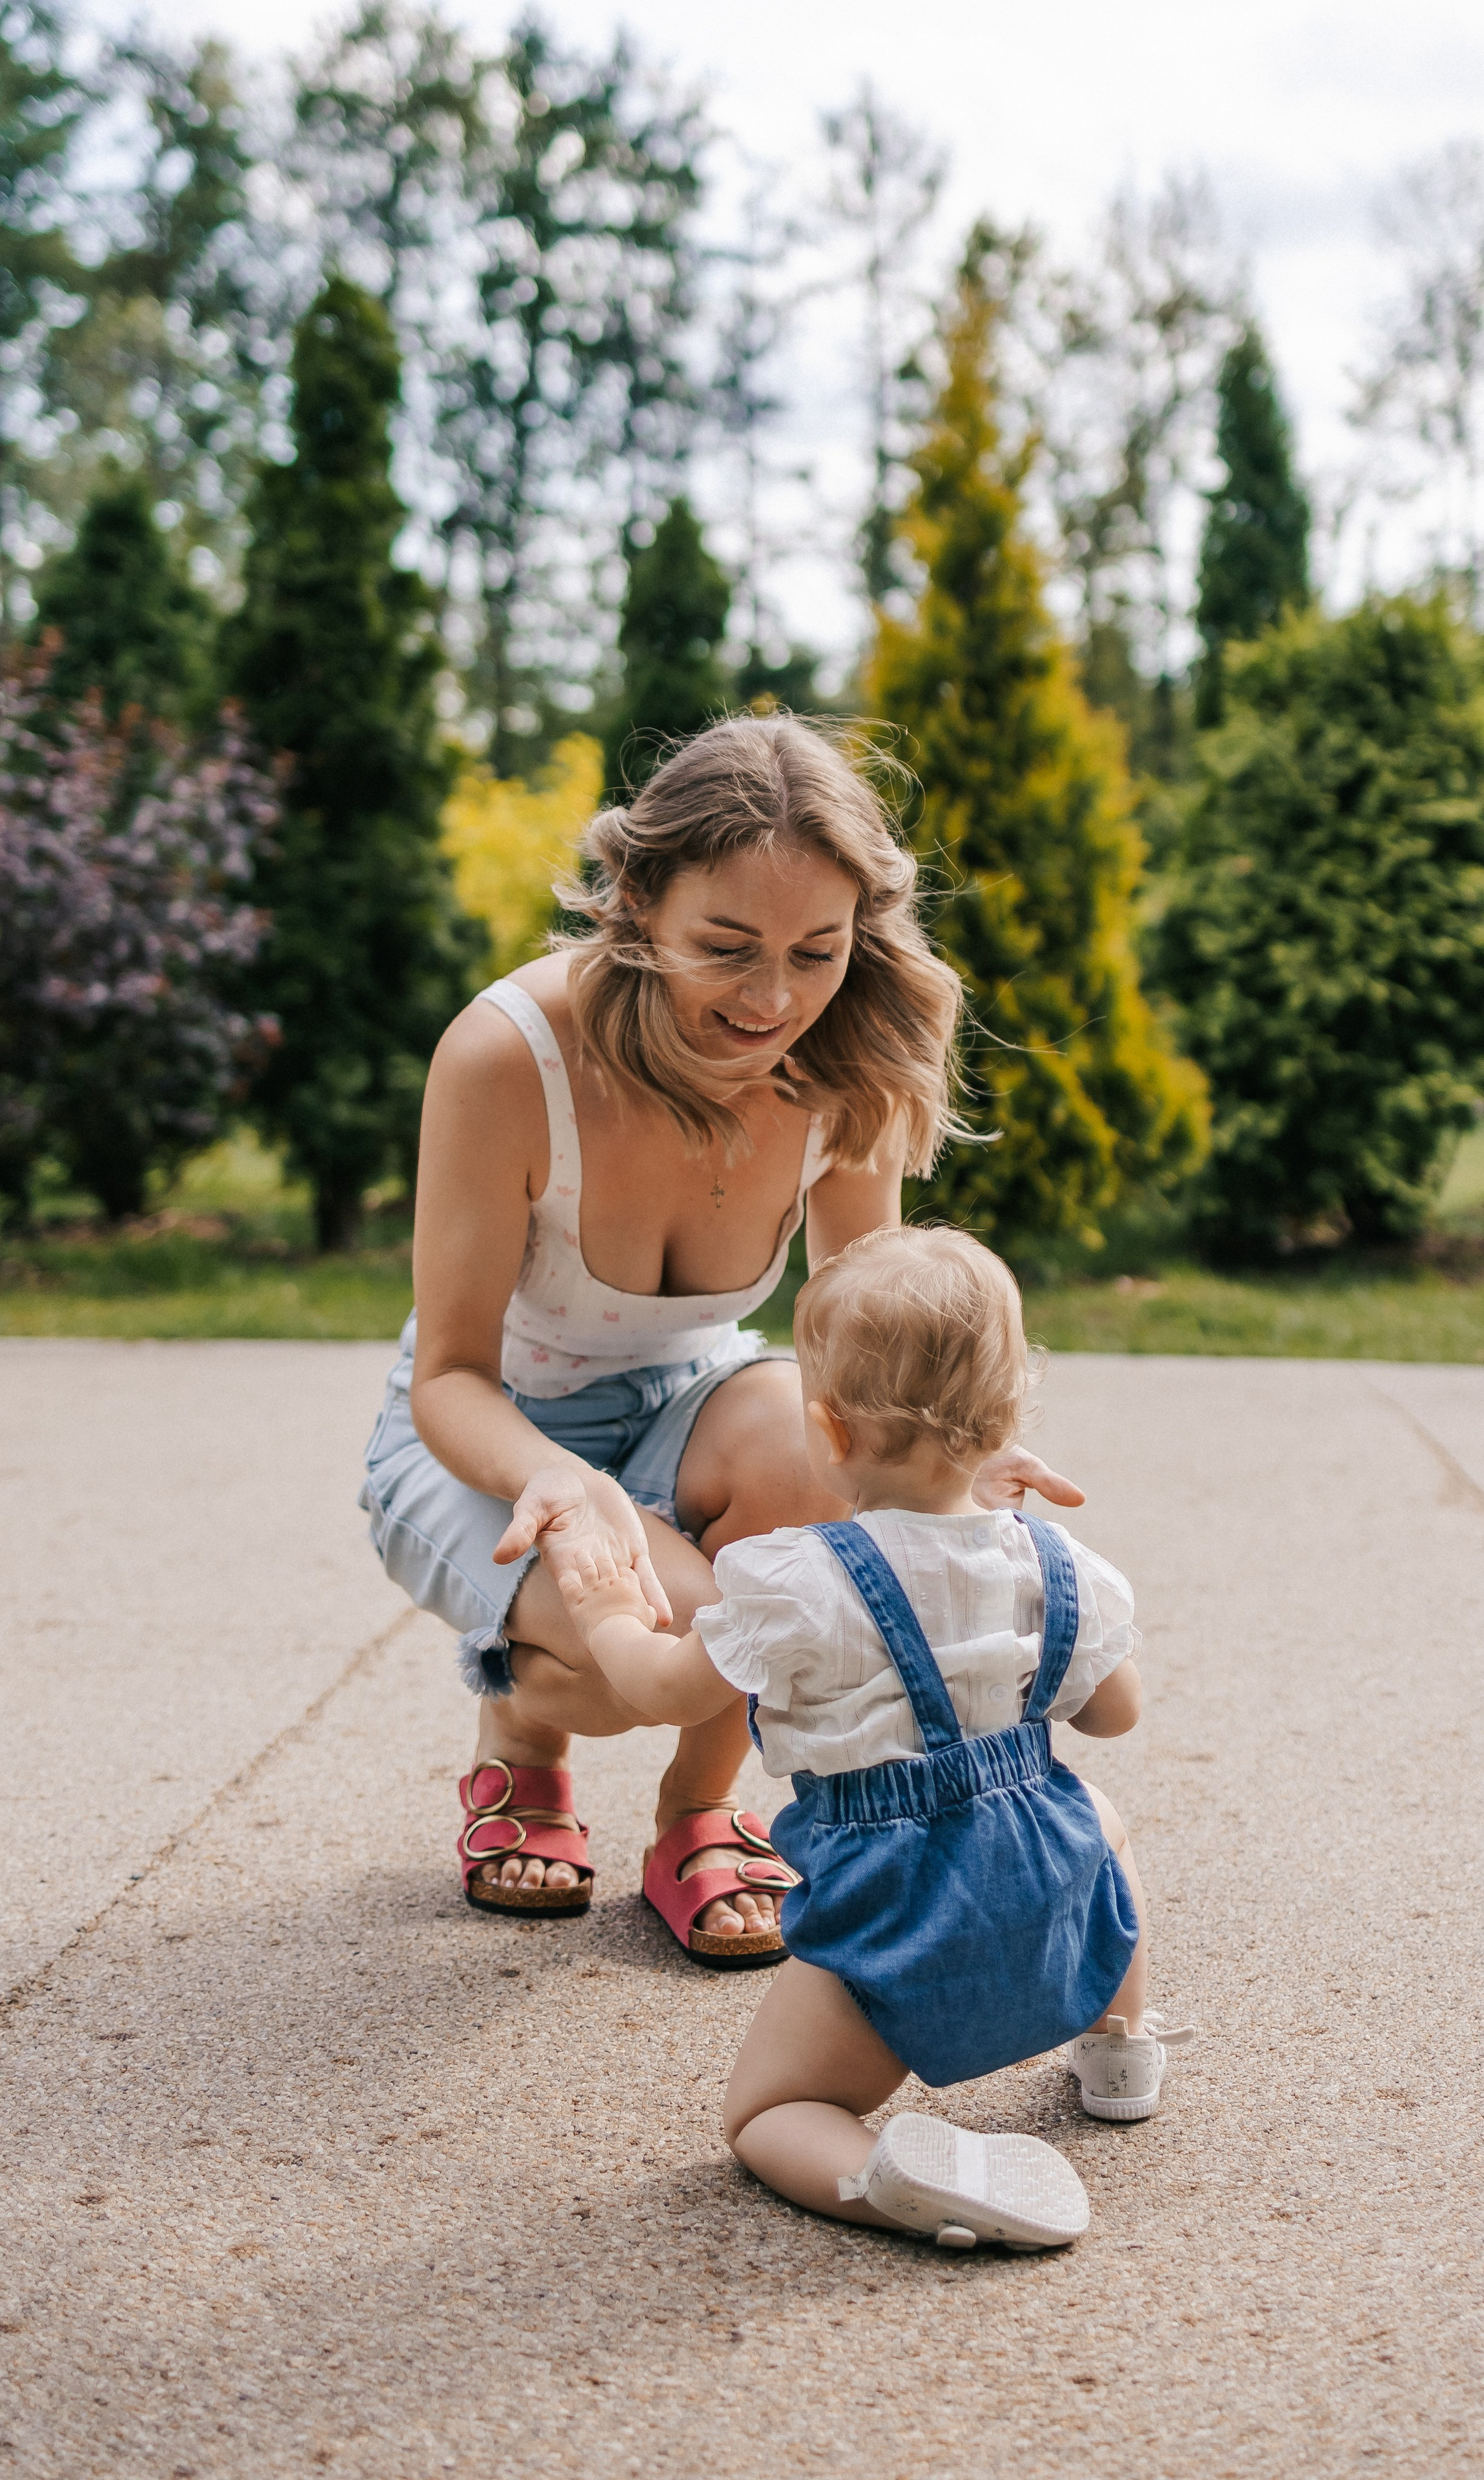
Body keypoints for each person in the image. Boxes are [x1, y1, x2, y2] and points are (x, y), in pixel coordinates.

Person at [358, 715, 1083, 1960]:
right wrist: (565, 1483)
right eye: (728, 948)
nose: (773, 1000)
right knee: (685, 1643)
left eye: (818, 951)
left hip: (691, 1401)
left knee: (821, 1468)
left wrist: (953, 1475)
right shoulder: (505, 1057)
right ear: (639, 899)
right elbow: (453, 1376)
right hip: (489, 1437)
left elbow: (873, 1347)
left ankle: (696, 1814)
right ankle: (526, 1742)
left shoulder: (847, 1058)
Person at [560, 1225, 1192, 2251]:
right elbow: (1114, 1715)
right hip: (1049, 1921)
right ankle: (1119, 2046)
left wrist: (603, 1615)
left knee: (765, 2116)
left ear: (831, 1430)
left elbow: (671, 1689)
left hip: (896, 1928)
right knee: (1101, 1822)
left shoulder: (795, 1581)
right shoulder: (1056, 1560)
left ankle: (878, 2173)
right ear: (1009, 1415)